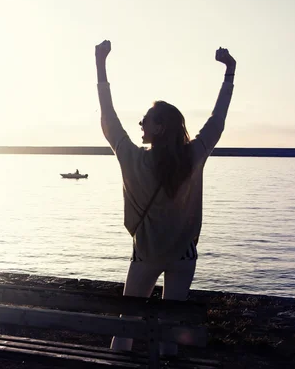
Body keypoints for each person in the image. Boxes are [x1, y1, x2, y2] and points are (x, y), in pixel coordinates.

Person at [95, 39, 236, 355]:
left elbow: (108, 118)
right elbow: (217, 121)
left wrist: (100, 64)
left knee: (126, 325)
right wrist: (230, 73)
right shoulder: (193, 155)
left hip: (146, 254)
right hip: (183, 256)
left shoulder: (133, 158)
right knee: (170, 329)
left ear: (159, 127)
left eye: (145, 121)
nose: (141, 125)